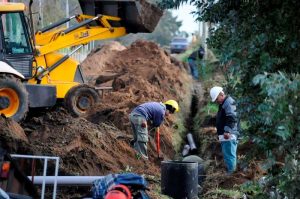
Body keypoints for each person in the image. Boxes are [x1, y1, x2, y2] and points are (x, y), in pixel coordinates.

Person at [210, 86, 239, 174]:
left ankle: (231, 175)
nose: (216, 101)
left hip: (229, 135)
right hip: (226, 135)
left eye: (216, 99)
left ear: (221, 94)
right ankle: (231, 173)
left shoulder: (228, 103)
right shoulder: (224, 103)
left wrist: (227, 131)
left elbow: (232, 117)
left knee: (229, 156)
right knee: (228, 155)